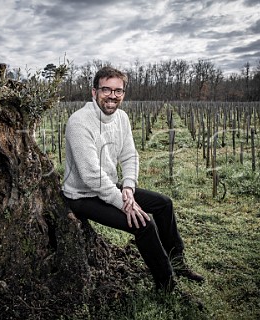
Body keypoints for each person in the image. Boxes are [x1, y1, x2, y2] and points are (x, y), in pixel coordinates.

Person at [62, 66, 204, 293]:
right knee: (143, 224)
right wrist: (123, 203)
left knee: (164, 203)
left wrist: (128, 187)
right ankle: (166, 285)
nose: (112, 96)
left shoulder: (122, 118)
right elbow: (91, 176)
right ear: (94, 92)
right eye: (106, 90)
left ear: (123, 94)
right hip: (82, 194)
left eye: (118, 91)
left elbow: (130, 155)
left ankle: (178, 263)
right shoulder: (79, 122)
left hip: (107, 186)